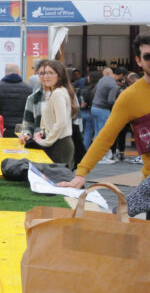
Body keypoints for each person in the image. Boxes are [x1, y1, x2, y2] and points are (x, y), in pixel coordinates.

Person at [59, 34, 150, 190]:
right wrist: (81, 173)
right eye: (148, 56)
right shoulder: (129, 97)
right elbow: (105, 137)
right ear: (138, 61)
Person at [29, 60, 78, 168]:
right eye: (45, 73)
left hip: (59, 145)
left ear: (59, 76)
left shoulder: (58, 93)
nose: (46, 76)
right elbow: (51, 120)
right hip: (59, 143)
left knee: (57, 181)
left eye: (51, 73)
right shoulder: (59, 91)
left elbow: (61, 122)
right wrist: (42, 132)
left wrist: (46, 141)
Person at [90, 67, 124, 163]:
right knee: (104, 134)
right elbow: (111, 101)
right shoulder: (114, 85)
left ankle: (95, 156)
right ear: (120, 75)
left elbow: (93, 91)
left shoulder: (102, 80)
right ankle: (102, 157)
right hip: (103, 109)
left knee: (97, 133)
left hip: (94, 107)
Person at [0, 63, 32, 138]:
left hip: (3, 127)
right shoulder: (28, 88)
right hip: (21, 128)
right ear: (18, 72)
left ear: (5, 73)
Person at [77, 71, 101, 150]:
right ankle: (85, 150)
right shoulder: (97, 90)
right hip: (90, 112)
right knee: (88, 133)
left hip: (81, 112)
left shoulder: (82, 89)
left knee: (80, 132)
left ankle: (79, 150)